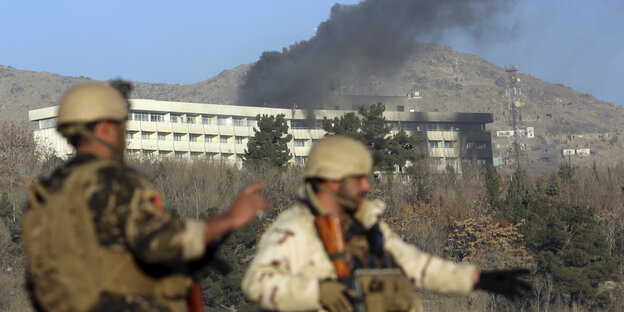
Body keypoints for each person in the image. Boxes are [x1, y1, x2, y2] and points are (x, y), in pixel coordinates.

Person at [23, 82, 269, 312]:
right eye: (122, 125)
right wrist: (231, 219)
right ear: (105, 128)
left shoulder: (47, 192)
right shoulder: (113, 181)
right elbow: (164, 243)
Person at [241, 135, 529, 312]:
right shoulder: (295, 229)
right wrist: (318, 292)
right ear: (331, 180)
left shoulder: (367, 224)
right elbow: (257, 284)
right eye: (358, 178)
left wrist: (476, 279)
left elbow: (416, 266)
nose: (367, 185)